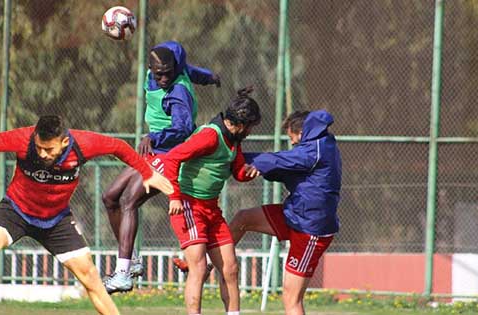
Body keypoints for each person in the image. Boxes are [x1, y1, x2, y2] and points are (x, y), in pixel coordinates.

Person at [0, 115, 173, 315]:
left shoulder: (83, 143)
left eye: (49, 149)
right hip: (16, 210)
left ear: (65, 142)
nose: (42, 154)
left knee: (90, 276)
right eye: (39, 147)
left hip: (56, 219)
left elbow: (119, 147)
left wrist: (147, 173)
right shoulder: (24, 139)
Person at [101, 40, 220, 294]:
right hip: (153, 149)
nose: (164, 78)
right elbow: (193, 70)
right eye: (159, 74)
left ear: (174, 68)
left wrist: (154, 137)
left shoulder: (178, 92)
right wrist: (211, 77)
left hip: (169, 153)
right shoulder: (168, 69)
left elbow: (183, 128)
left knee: (129, 201)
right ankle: (131, 262)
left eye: (168, 73)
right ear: (152, 69)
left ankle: (122, 274)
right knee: (110, 196)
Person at [227, 110, 341, 315]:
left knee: (291, 297)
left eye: (292, 138)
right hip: (295, 214)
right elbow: (286, 168)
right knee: (242, 219)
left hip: (310, 229)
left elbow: (282, 161)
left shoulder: (315, 149)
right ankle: (212, 262)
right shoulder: (317, 147)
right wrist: (239, 161)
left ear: (303, 132)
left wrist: (247, 160)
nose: (293, 143)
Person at [163, 87, 261, 315]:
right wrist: (175, 196)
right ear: (240, 124)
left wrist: (249, 173)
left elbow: (237, 172)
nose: (250, 132)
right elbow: (173, 158)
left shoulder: (234, 140)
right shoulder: (210, 136)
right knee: (197, 267)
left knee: (230, 267)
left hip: (211, 210)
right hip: (189, 206)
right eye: (251, 127)